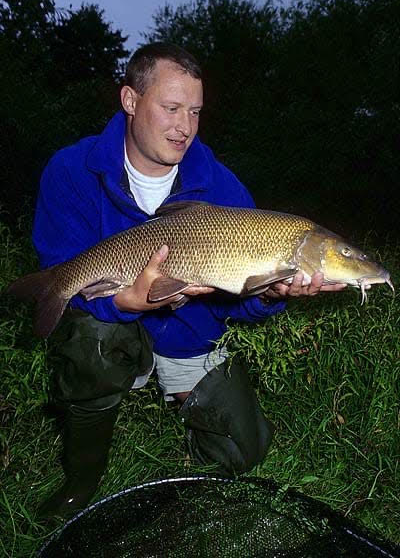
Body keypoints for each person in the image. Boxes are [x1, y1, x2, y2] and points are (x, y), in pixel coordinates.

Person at [33, 42, 345, 519]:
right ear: (131, 100)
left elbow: (233, 304)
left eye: (195, 112)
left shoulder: (223, 187)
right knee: (90, 339)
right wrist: (124, 303)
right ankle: (82, 479)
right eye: (172, 108)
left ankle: (183, 466)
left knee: (246, 452)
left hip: (188, 335)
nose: (185, 128)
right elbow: (66, 267)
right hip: (114, 325)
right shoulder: (71, 171)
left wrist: (271, 294)